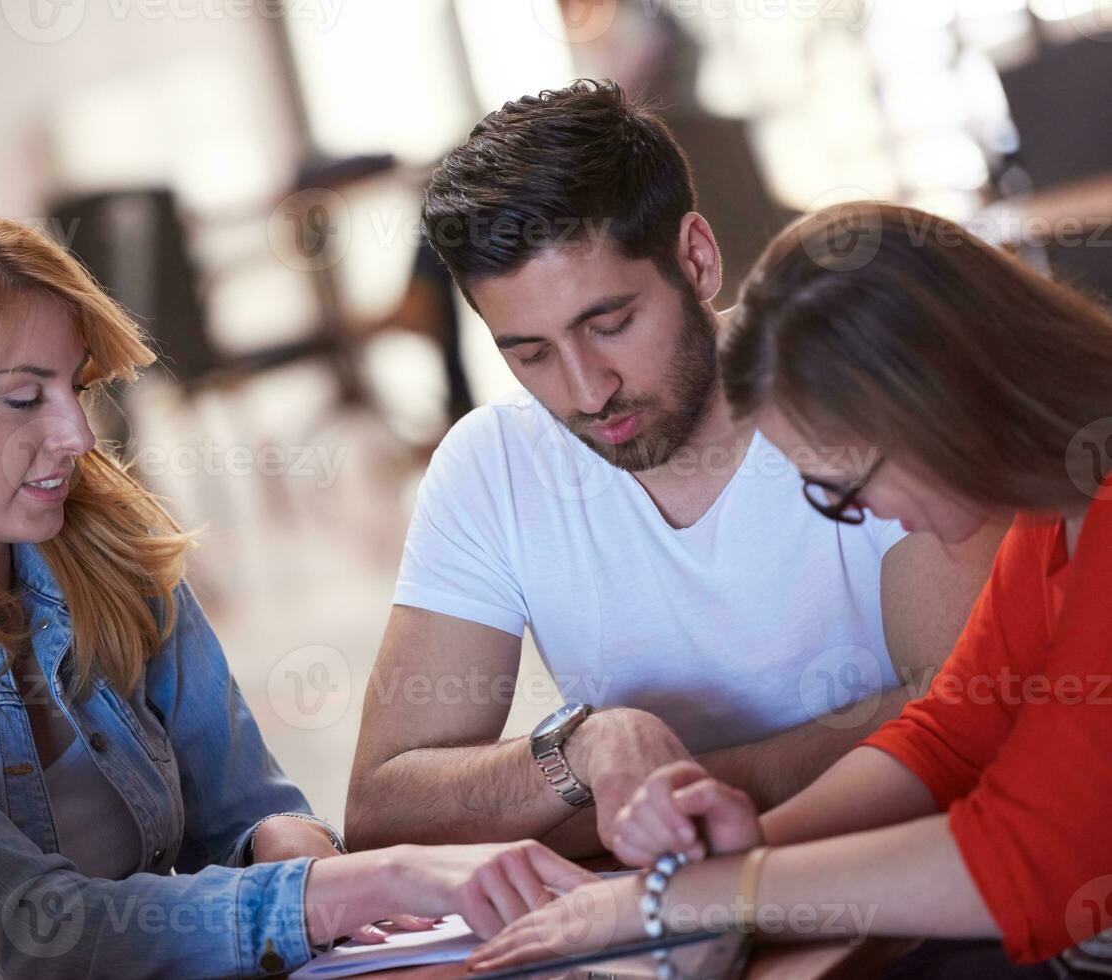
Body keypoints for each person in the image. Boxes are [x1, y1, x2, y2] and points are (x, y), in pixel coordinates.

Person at [0, 206, 596, 979]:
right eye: (25, 399)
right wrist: (358, 883)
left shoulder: (103, 557)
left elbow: (243, 809)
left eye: (78, 388)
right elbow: (32, 935)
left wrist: (289, 845)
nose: (78, 437)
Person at [346, 80, 1003, 859]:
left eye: (611, 324)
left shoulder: (857, 391)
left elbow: (969, 723)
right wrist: (586, 751)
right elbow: (382, 812)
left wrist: (658, 796)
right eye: (529, 353)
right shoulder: (490, 466)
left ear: (696, 258)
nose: (587, 391)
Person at [465, 202, 1112, 972]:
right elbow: (950, 734)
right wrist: (754, 842)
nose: (863, 513)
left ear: (938, 402)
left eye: (845, 485)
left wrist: (687, 897)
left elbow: (1026, 864)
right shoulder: (1055, 515)